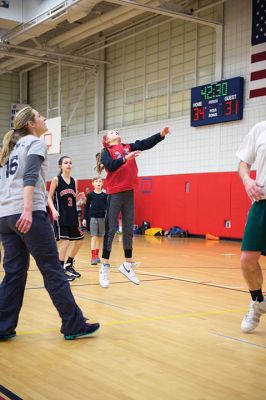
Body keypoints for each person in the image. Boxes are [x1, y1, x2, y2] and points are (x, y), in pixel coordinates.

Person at [0, 106, 100, 340]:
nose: (44, 118)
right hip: (28, 213)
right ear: (31, 124)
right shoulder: (35, 143)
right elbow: (30, 176)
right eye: (39, 116)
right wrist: (27, 209)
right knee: (53, 270)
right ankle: (74, 324)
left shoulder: (9, 150)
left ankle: (2, 326)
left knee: (14, 272)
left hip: (5, 216)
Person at [95, 127, 170, 288]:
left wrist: (160, 135)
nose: (116, 132)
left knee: (128, 229)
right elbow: (111, 165)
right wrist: (125, 159)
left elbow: (145, 143)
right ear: (107, 140)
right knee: (110, 230)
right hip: (115, 193)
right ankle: (104, 267)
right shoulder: (106, 152)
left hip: (129, 192)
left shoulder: (128, 146)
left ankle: (127, 265)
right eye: (112, 132)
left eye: (116, 131)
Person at [236, 120, 266, 333]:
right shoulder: (260, 128)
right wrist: (247, 180)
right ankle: (257, 302)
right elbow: (243, 163)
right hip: (262, 201)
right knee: (247, 260)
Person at [48, 156, 85, 281]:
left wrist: (78, 197)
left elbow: (72, 199)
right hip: (61, 216)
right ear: (60, 166)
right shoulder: (56, 180)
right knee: (65, 242)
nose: (68, 164)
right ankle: (60, 271)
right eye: (66, 163)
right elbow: (49, 197)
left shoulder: (74, 181)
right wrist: (53, 210)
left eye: (70, 162)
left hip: (72, 216)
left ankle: (69, 264)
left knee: (80, 240)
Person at [82, 177, 107, 269]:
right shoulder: (90, 195)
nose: (98, 183)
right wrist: (84, 218)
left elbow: (107, 208)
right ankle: (93, 257)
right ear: (93, 183)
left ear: (102, 183)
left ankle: (97, 255)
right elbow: (87, 208)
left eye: (100, 181)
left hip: (102, 218)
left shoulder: (105, 195)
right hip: (93, 218)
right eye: (96, 181)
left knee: (100, 238)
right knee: (94, 237)